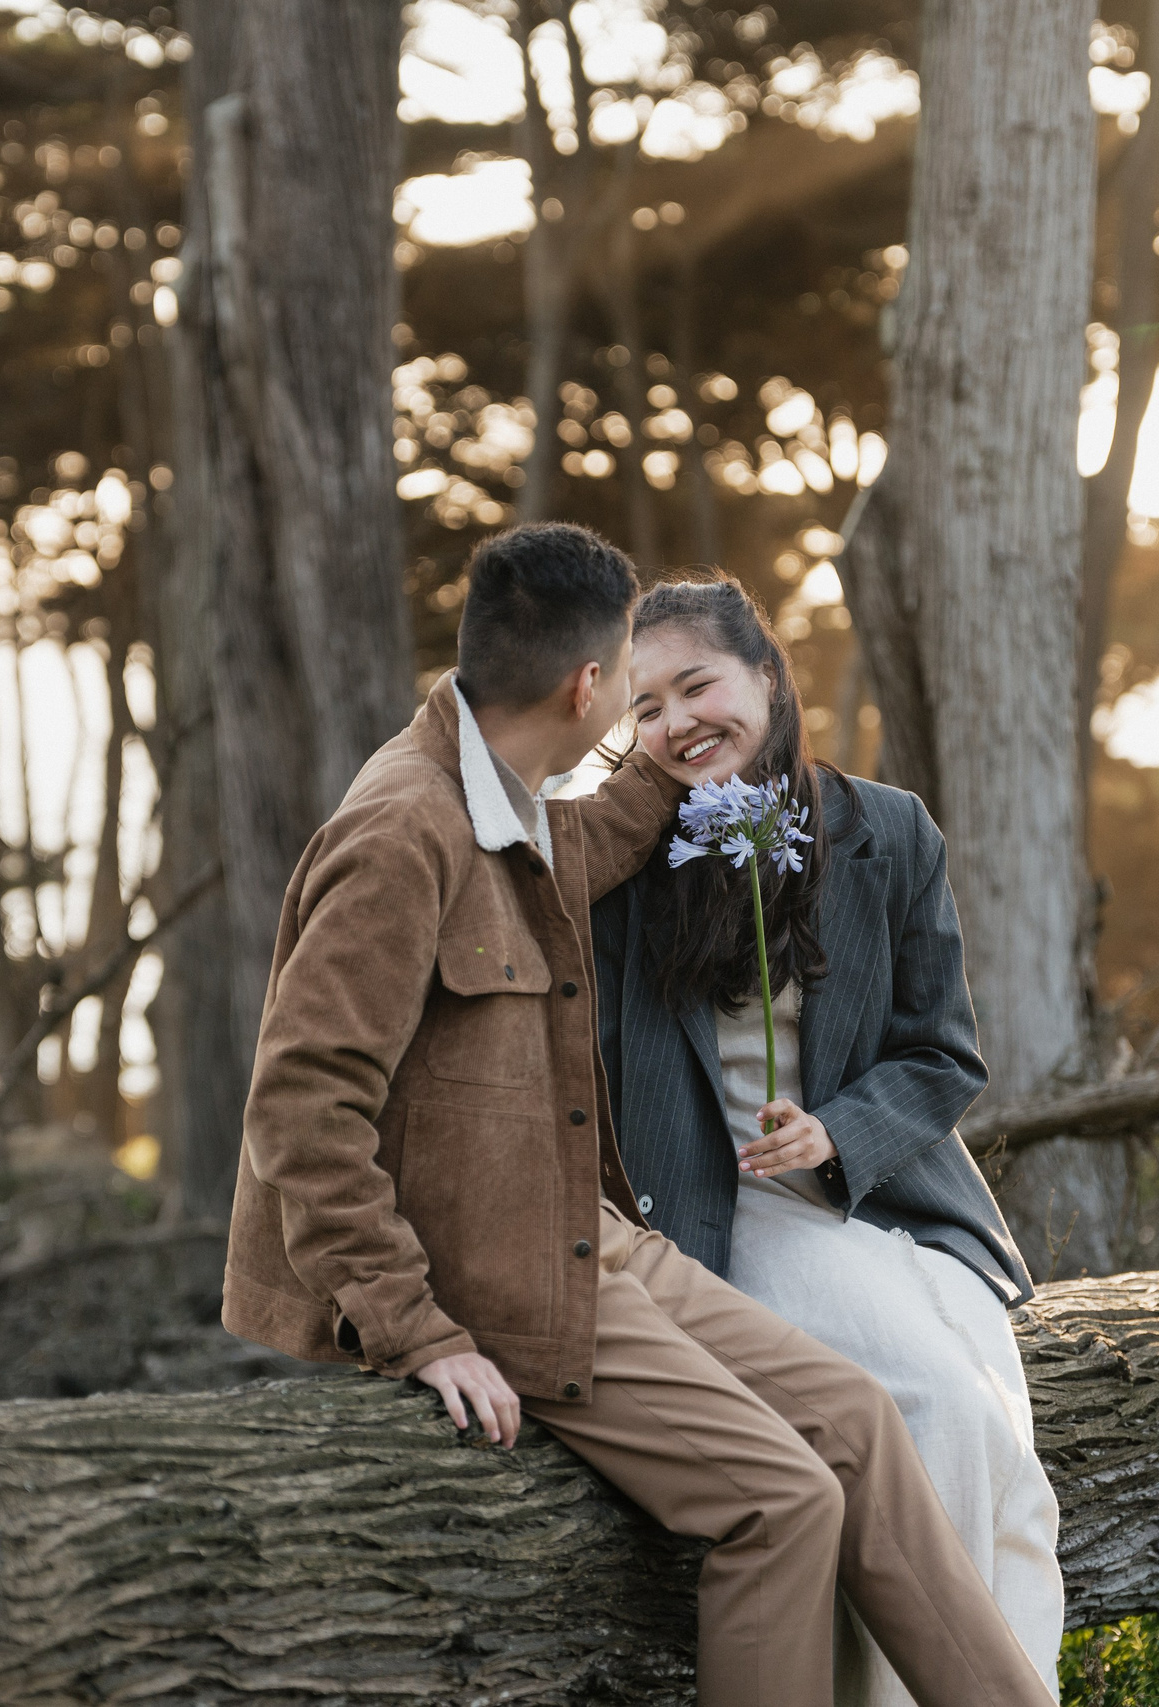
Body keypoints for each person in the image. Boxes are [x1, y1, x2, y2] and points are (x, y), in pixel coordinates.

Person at [223, 523, 1056, 1707]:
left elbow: (610, 825)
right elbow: (300, 1109)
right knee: (781, 1499)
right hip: (497, 1276)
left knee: (862, 1420)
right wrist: (417, 1330)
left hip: (594, 1234)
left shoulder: (506, 800)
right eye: (635, 682)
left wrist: (707, 740)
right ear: (587, 685)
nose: (644, 716)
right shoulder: (402, 834)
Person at [590, 573, 1068, 1705]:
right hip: (719, 1208)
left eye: (695, 686)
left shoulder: (886, 832)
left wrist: (833, 1132)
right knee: (934, 1410)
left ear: (765, 675)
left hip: (880, 1195)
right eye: (644, 708)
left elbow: (942, 1053)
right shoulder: (617, 860)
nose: (673, 725)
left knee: (992, 1428)